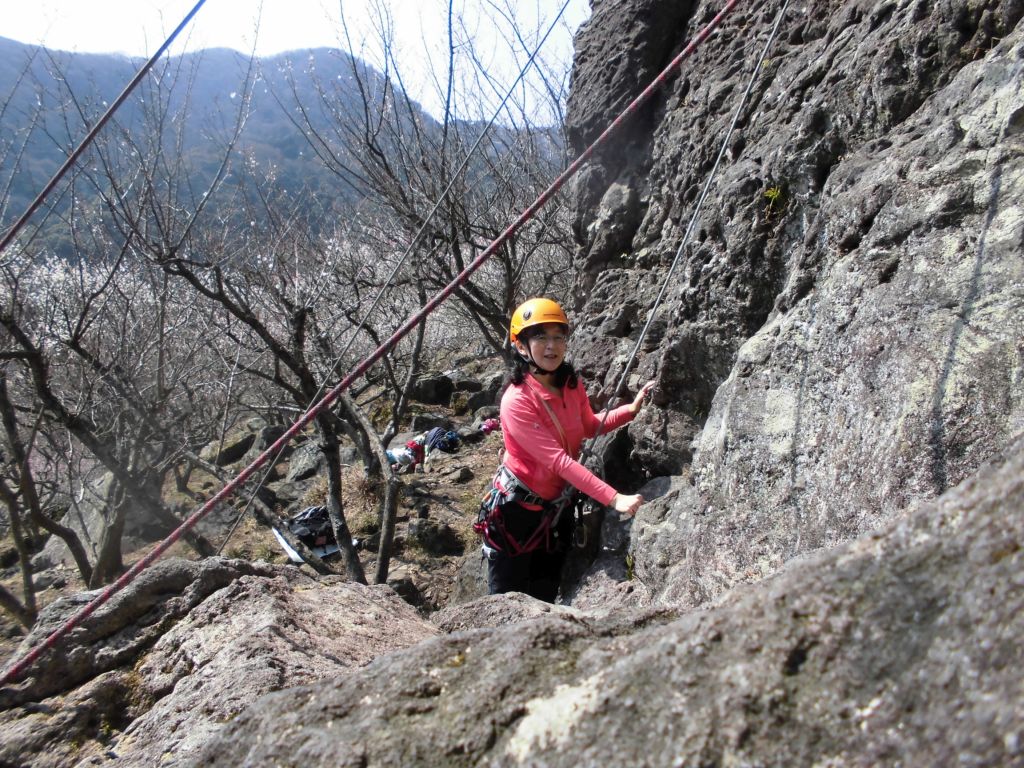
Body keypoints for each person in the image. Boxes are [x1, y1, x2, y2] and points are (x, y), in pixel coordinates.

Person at [477, 297, 655, 602]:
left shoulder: (571, 384)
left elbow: (588, 426)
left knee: (545, 597)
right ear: (521, 346)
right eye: (541, 337)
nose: (551, 346)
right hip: (517, 514)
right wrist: (614, 499)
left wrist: (630, 410)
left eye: (558, 336)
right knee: (507, 603)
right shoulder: (517, 401)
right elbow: (558, 461)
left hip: (555, 511)